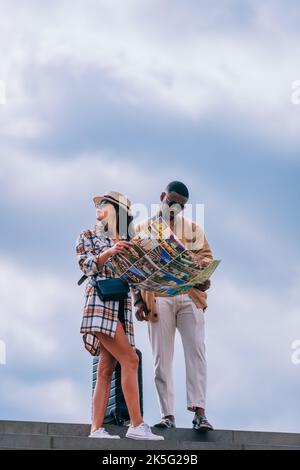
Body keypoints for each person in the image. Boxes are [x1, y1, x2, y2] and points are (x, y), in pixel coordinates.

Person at [76, 191, 164, 441]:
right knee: (131, 360)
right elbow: (86, 265)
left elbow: (134, 279)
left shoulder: (128, 239)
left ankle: (96, 429)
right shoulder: (88, 235)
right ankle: (136, 424)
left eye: (103, 203)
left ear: (117, 210)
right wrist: (110, 252)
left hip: (120, 308)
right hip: (100, 304)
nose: (98, 206)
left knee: (106, 369)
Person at [133, 181, 214, 431]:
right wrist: (137, 300)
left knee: (196, 352)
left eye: (181, 206)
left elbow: (207, 258)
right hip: (157, 297)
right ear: (162, 197)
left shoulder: (193, 229)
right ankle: (167, 415)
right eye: (172, 202)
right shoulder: (141, 229)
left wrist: (203, 276)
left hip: (189, 295)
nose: (175, 208)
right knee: (162, 358)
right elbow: (132, 268)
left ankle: (199, 412)